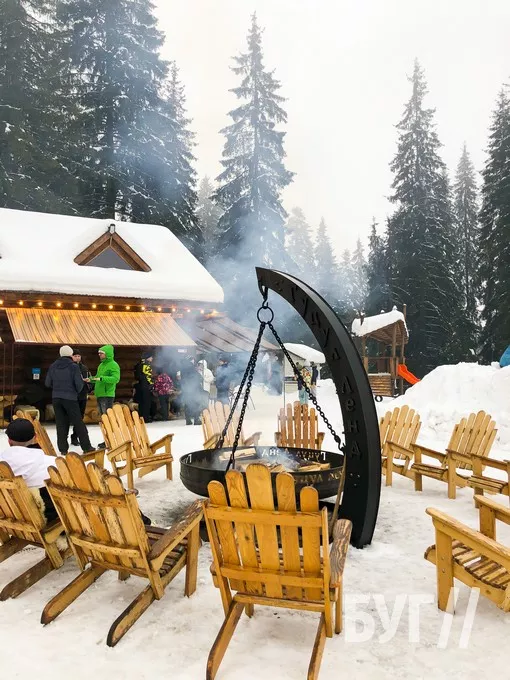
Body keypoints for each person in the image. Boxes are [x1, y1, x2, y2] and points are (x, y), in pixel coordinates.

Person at [1, 418, 58, 523]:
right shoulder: (53, 464)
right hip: (44, 521)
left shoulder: (2, 463)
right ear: (35, 437)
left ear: (9, 441)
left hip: (8, 518)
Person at [45, 345, 94, 454]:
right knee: (78, 422)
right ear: (70, 354)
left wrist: (57, 388)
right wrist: (74, 391)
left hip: (56, 398)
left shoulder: (53, 366)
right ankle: (86, 447)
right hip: (70, 398)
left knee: (61, 423)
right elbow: (79, 385)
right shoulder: (74, 367)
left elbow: (48, 383)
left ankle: (63, 449)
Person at [87, 345, 121, 448]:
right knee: (103, 419)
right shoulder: (101, 365)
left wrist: (102, 378)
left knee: (107, 419)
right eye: (99, 353)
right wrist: (91, 379)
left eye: (101, 353)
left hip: (107, 395)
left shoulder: (113, 365)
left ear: (107, 354)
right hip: (100, 394)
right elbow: (98, 378)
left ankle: (111, 441)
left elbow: (116, 379)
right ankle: (107, 440)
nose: (99, 355)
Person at [71, 349, 91, 447]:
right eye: (75, 356)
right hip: (73, 395)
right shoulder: (70, 367)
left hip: (82, 394)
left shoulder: (84, 367)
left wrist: (88, 382)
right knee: (74, 416)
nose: (77, 358)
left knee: (80, 417)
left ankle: (75, 436)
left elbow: (90, 378)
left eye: (79, 356)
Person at [180, 356, 203, 425]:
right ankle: (196, 419)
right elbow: (197, 377)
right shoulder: (191, 367)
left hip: (185, 389)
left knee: (187, 404)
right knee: (196, 403)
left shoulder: (182, 368)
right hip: (193, 389)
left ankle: (188, 420)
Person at [134, 351, 155, 423]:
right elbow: (148, 376)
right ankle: (146, 418)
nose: (152, 358)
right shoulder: (146, 365)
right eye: (151, 357)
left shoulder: (139, 365)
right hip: (146, 386)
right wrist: (151, 384)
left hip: (140, 385)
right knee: (147, 402)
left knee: (141, 403)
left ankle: (141, 417)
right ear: (147, 358)